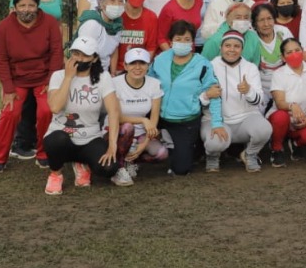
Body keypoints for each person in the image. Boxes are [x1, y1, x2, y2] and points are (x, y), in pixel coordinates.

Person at [0, 0, 63, 175]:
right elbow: (1, 59)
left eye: (31, 5)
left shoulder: (50, 23)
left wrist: (51, 81)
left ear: (38, 6)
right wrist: (8, 89)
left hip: (43, 78)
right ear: (14, 7)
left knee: (46, 110)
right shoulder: (5, 27)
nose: (26, 9)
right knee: (10, 112)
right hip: (16, 80)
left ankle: (43, 152)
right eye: (22, 5)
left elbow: (56, 53)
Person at [41, 36, 121, 194]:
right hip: (62, 134)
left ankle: (81, 164)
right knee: (57, 140)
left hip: (90, 137)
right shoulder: (58, 76)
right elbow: (55, 107)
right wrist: (68, 77)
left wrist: (112, 145)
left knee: (109, 168)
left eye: (85, 55)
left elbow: (113, 111)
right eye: (76, 53)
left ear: (94, 58)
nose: (79, 59)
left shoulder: (103, 78)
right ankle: (56, 174)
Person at [148, 21, 221, 177]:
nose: (182, 42)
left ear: (193, 42)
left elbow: (215, 93)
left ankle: (182, 148)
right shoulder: (160, 60)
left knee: (181, 170)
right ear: (171, 41)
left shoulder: (202, 64)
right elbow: (148, 82)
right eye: (178, 39)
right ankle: (162, 144)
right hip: (160, 116)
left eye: (187, 39)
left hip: (185, 120)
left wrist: (217, 123)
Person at [203, 29, 271, 172]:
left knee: (264, 129)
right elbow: (197, 99)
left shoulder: (250, 68)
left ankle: (250, 154)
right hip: (216, 120)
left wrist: (248, 91)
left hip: (246, 118)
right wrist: (207, 95)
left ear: (242, 49)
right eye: (227, 46)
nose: (232, 50)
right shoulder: (209, 66)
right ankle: (213, 156)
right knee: (215, 143)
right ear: (221, 47)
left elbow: (259, 100)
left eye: (236, 46)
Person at [110, 48, 168, 186]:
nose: (137, 67)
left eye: (142, 63)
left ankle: (131, 161)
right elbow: (116, 117)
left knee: (161, 153)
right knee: (128, 127)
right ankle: (119, 168)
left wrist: (144, 144)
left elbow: (154, 118)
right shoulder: (114, 83)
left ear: (148, 66)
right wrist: (142, 119)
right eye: (132, 63)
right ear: (125, 66)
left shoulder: (154, 84)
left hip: (141, 133)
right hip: (117, 131)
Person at [268, 38, 306, 167]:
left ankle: (296, 143)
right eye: (289, 52)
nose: (294, 54)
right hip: (283, 120)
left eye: (297, 50)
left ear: (302, 51)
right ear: (283, 57)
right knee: (280, 117)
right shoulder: (278, 74)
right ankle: (276, 148)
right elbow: (279, 102)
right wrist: (292, 106)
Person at [76, 0, 127, 74]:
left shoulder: (117, 25)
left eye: (120, 1)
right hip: (87, 71)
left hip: (105, 72)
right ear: (101, 4)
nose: (117, 5)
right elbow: (82, 52)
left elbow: (114, 49)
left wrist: (112, 74)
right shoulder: (92, 24)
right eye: (112, 1)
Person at [116, 0, 158, 69]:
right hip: (119, 68)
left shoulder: (151, 17)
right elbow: (112, 47)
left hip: (141, 68)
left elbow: (151, 47)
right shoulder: (117, 14)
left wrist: (142, 68)